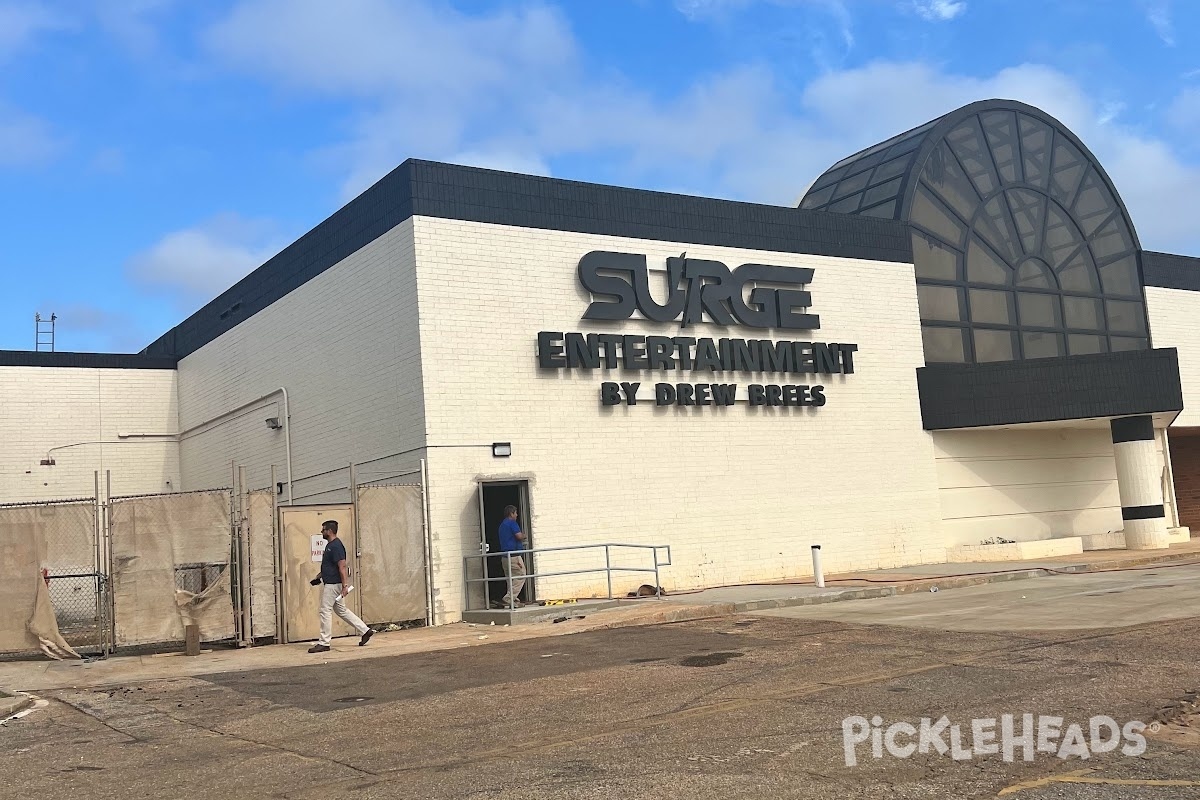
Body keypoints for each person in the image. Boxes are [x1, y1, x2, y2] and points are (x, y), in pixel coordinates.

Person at [308, 520, 373, 653]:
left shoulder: (336, 546)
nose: (322, 532)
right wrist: (319, 576)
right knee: (341, 610)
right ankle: (365, 630)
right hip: (332, 583)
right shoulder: (330, 545)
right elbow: (330, 565)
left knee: (325, 610)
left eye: (323, 530)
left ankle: (324, 642)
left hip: (333, 585)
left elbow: (342, 566)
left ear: (330, 531)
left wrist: (345, 586)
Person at [496, 505, 527, 608]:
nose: (517, 515)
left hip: (505, 556)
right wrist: (524, 536)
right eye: (515, 513)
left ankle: (514, 600)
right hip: (514, 556)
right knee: (521, 575)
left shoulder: (502, 525)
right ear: (511, 513)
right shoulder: (512, 523)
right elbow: (518, 536)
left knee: (510, 578)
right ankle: (509, 598)